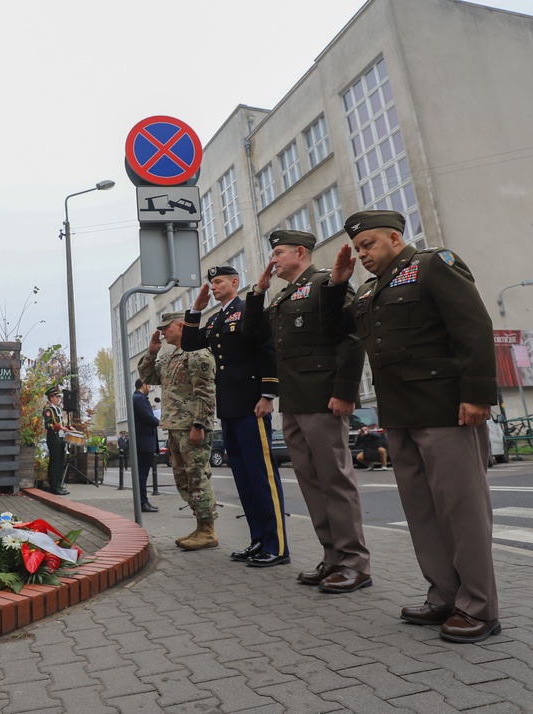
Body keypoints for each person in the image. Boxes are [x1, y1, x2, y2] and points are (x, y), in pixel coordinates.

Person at [321, 209, 499, 643]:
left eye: (369, 245)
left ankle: (479, 607)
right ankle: (444, 596)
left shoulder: (434, 265)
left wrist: (477, 394)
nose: (362, 254)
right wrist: (337, 284)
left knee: (462, 510)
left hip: (444, 410)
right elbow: (335, 333)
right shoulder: (365, 292)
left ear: (396, 238)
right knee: (422, 511)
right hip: (399, 415)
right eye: (358, 248)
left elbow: (473, 327)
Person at [244, 230, 371, 593]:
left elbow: (349, 337)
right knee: (312, 483)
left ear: (301, 252)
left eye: (279, 253)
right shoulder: (282, 294)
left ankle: (355, 563)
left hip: (323, 398)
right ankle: (332, 557)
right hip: (295, 401)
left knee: (336, 481)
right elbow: (254, 336)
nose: (273, 259)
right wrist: (258, 291)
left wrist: (345, 392)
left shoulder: (325, 283)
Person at [180, 266, 289, 567]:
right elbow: (189, 343)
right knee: (243, 478)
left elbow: (266, 349)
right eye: (211, 283)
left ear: (234, 283)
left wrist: (268, 395)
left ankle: (276, 546)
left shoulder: (247, 310)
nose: (213, 287)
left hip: (252, 405)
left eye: (218, 282)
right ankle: (258, 540)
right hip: (229, 408)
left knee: (261, 477)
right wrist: (196, 309)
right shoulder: (216, 319)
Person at [138, 313, 218, 544]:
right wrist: (152, 352)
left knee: (198, 477)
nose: (162, 332)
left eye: (166, 328)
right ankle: (200, 526)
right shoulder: (170, 358)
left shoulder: (198, 354)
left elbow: (206, 394)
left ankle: (208, 530)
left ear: (181, 326)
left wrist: (199, 425)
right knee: (184, 479)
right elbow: (148, 376)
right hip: (175, 427)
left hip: (192, 427)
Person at [131, 379, 161, 513]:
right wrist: (159, 421)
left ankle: (143, 501)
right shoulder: (140, 399)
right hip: (144, 441)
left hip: (142, 441)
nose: (150, 388)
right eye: (149, 385)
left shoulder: (138, 398)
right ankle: (142, 502)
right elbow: (147, 417)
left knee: (142, 473)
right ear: (143, 386)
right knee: (142, 474)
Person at [43, 386, 73, 495]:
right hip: (54, 440)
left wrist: (68, 427)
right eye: (56, 396)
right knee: (55, 464)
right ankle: (54, 486)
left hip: (60, 439)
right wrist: (60, 428)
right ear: (51, 398)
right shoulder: (48, 410)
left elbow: (61, 424)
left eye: (58, 396)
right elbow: (48, 425)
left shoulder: (57, 410)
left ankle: (59, 485)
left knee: (60, 463)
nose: (58, 398)